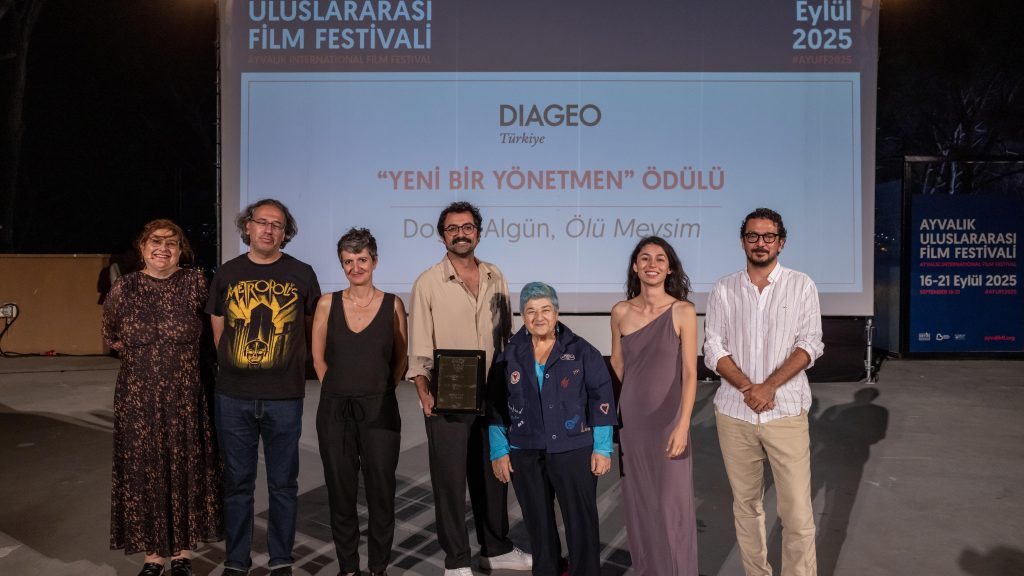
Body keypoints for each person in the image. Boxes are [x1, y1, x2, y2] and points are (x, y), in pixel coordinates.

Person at [407, 201, 532, 575]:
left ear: (478, 232)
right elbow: (419, 343)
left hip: (493, 393)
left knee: (494, 474)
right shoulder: (428, 282)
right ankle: (456, 560)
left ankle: (495, 549)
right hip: (447, 394)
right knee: (449, 481)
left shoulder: (495, 275)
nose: (460, 234)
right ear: (442, 235)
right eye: (452, 228)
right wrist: (423, 391)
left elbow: (507, 335)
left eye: (467, 227)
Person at [703, 207, 824, 576]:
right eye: (753, 236)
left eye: (768, 236)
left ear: (780, 242)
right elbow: (713, 347)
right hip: (734, 413)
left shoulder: (801, 285)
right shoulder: (724, 288)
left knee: (797, 513)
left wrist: (768, 386)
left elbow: (810, 344)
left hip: (785, 412)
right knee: (746, 506)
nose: (760, 243)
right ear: (743, 242)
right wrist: (747, 387)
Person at [207, 199, 321, 576]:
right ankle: (236, 560)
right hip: (233, 396)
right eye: (262, 222)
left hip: (284, 397)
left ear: (285, 233)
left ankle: (281, 559)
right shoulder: (227, 272)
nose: (269, 230)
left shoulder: (302, 273)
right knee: (237, 483)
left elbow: (311, 329)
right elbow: (219, 331)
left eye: (277, 225)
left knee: (283, 484)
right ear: (248, 227)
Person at [103, 219, 222, 576]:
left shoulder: (196, 283)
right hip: (137, 399)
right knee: (145, 472)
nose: (163, 248)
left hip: (186, 396)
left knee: (185, 470)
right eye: (156, 241)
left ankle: (183, 554)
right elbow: (111, 336)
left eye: (172, 242)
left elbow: (212, 335)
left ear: (180, 250)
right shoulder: (124, 288)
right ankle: (153, 557)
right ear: (142, 247)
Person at [489, 282, 617, 576]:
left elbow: (601, 398)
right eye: (531, 311)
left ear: (556, 313)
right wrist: (499, 450)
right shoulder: (509, 354)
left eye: (546, 309)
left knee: (581, 522)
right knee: (538, 523)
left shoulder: (582, 351)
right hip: (525, 450)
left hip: (574, 450)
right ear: (522, 315)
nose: (539, 317)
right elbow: (496, 405)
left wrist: (602, 447)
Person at [311, 228, 408, 576]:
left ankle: (378, 567)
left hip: (380, 409)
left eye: (362, 260)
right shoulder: (327, 303)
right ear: (342, 265)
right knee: (341, 491)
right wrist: (339, 389)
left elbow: (400, 360)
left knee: (382, 491)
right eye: (348, 261)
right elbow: (318, 358)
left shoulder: (393, 304)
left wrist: (377, 390)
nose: (356, 267)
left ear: (374, 261)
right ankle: (348, 568)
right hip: (335, 410)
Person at [609, 236, 699, 576]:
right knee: (639, 502)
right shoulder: (620, 312)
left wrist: (683, 424)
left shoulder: (682, 311)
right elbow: (617, 366)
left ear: (669, 268)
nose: (652, 264)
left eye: (660, 259)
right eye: (644, 258)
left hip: (669, 421)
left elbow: (690, 373)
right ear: (635, 266)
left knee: (671, 506)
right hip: (632, 422)